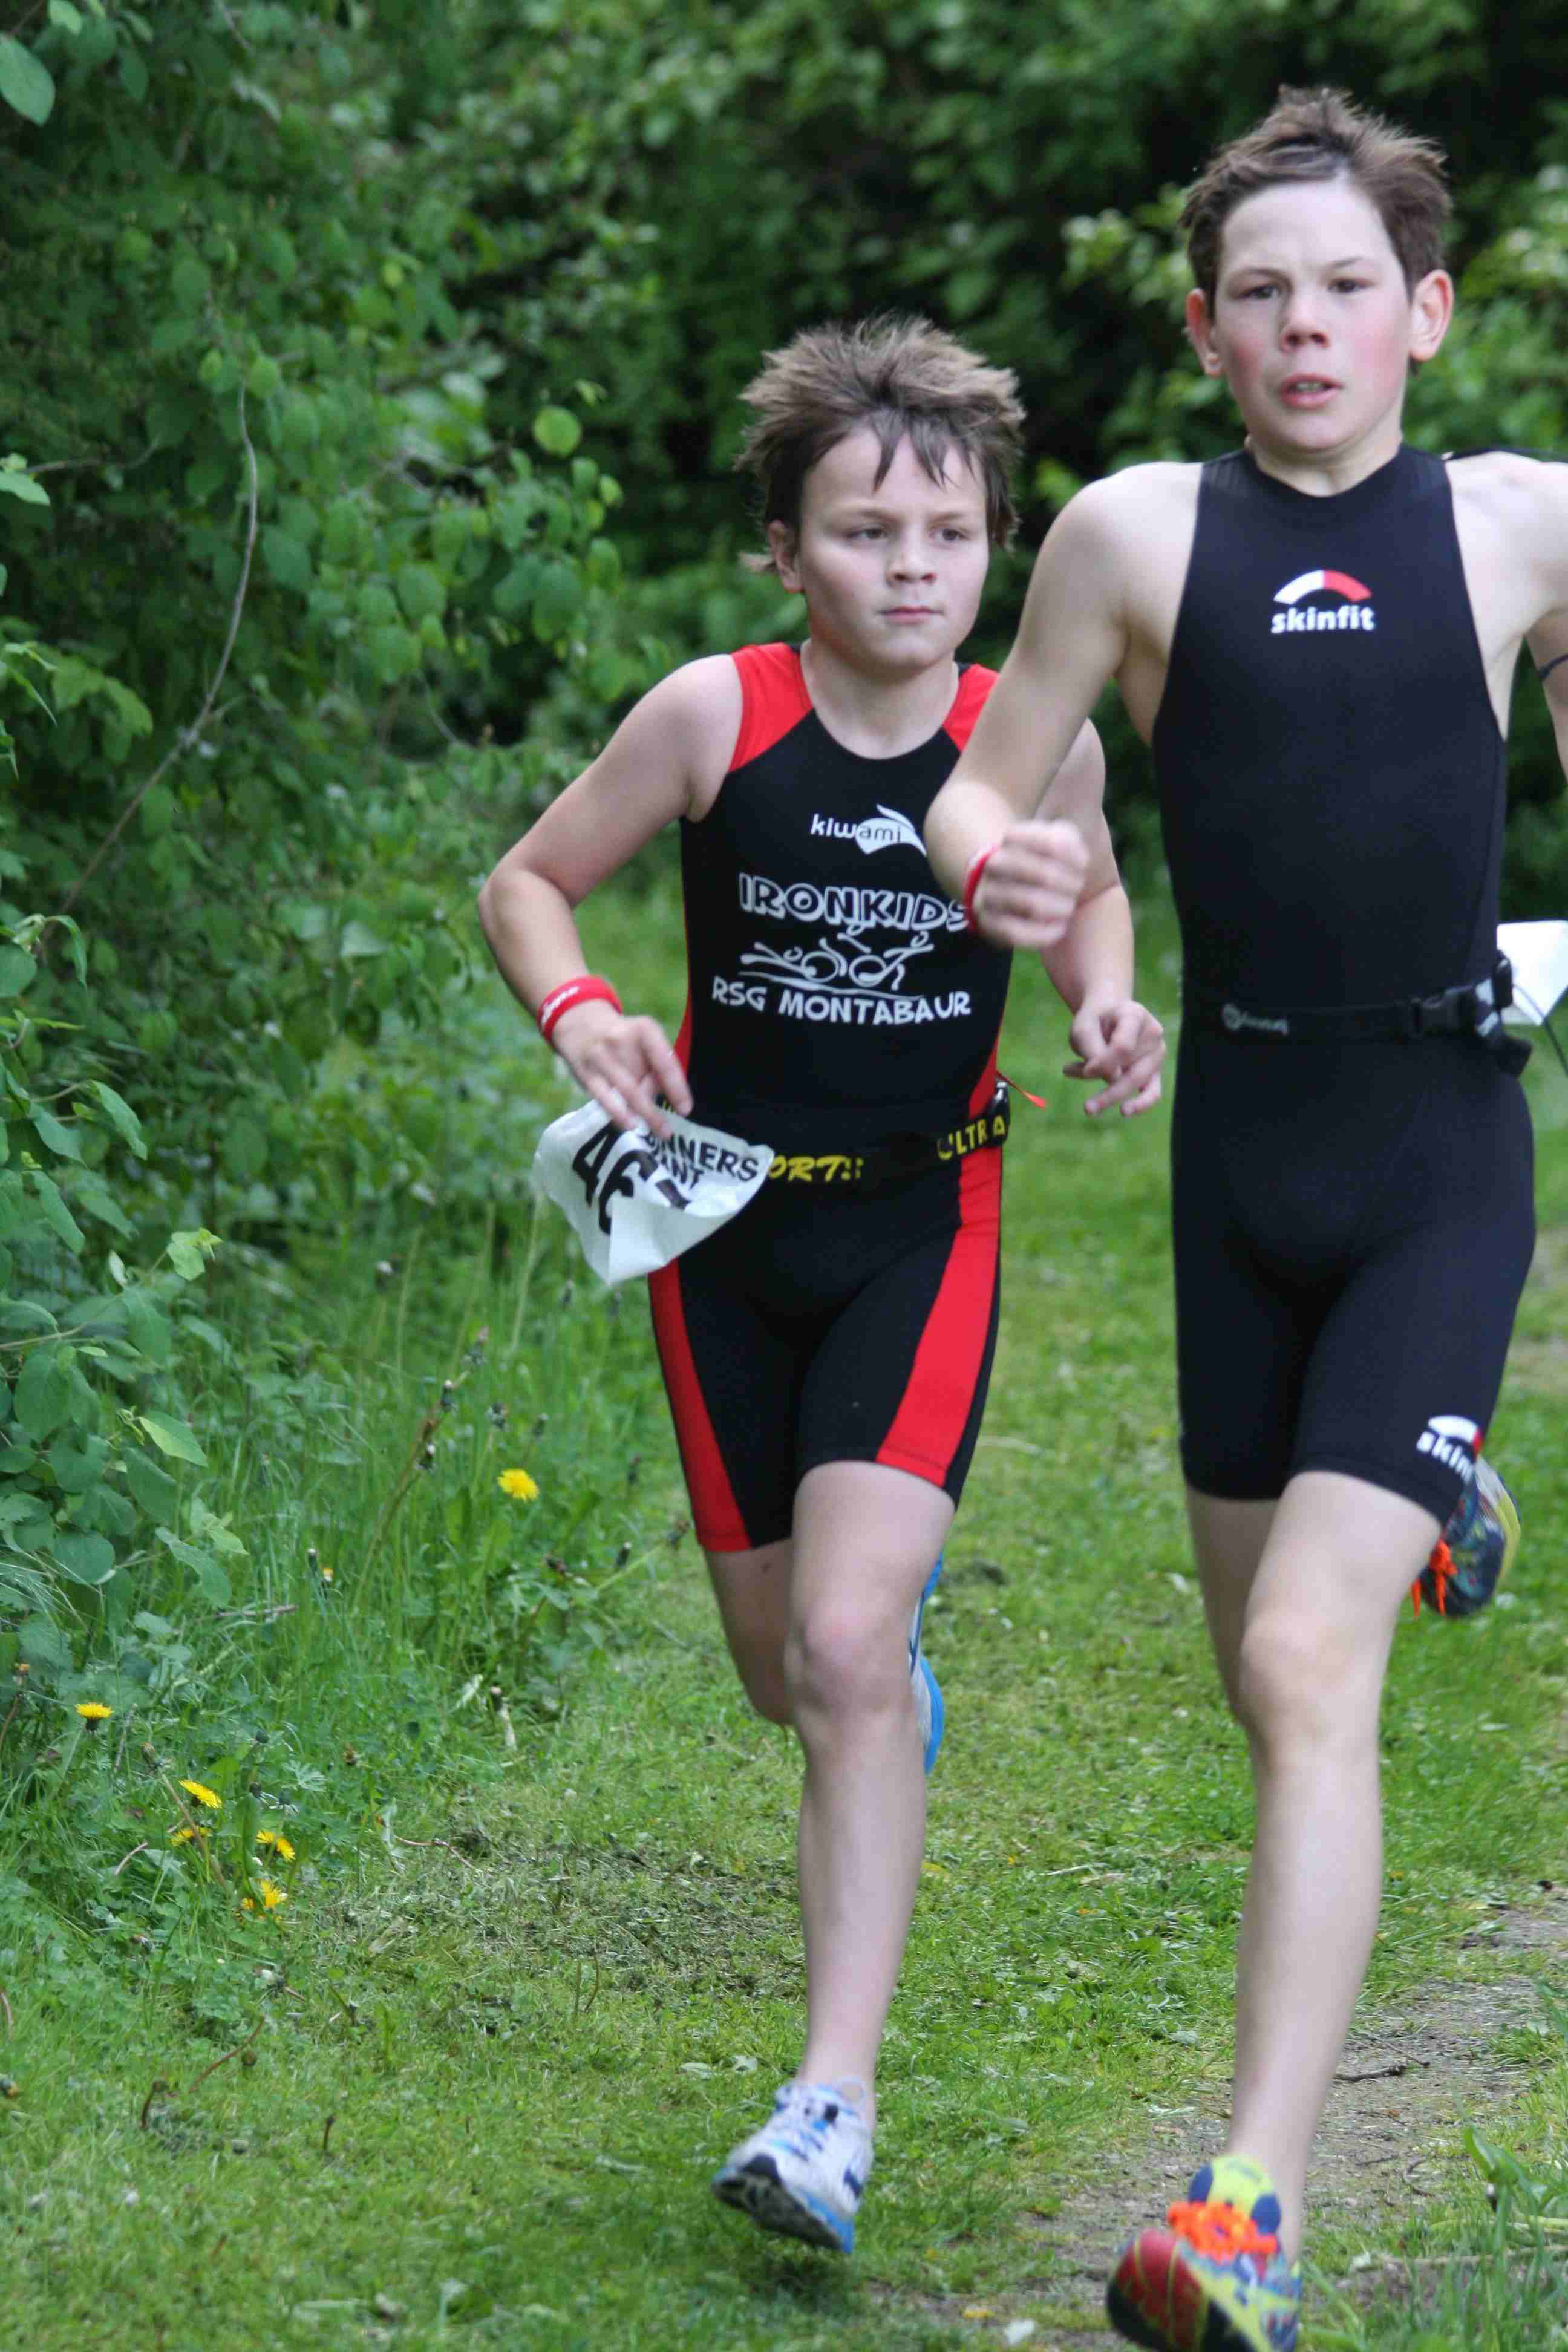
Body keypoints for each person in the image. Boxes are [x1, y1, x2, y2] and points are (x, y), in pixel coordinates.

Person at [922, 87, 1561, 2352]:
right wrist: (1001, 872)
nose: (1307, 327)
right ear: (1204, 330)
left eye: (1348, 289)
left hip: (1436, 1150)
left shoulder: (1519, 526)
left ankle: (1250, 2214)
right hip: (1241, 1165)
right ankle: (1434, 1502)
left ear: (1428, 314)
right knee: (1262, 1683)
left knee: (1305, 1664)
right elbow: (982, 791)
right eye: (1263, 294)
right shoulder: (1130, 538)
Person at [478, 315, 1165, 2255]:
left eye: (952, 532)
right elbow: (527, 883)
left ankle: (828, 2106)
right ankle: (873, 1685)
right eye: (866, 531)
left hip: (923, 1228)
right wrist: (581, 1010)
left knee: (847, 1648)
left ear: (997, 547)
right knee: (785, 1669)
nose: (914, 568)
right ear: (785, 548)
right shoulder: (717, 715)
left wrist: (1105, 1000)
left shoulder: (1029, 733)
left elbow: (1092, 887)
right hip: (720, 1232)